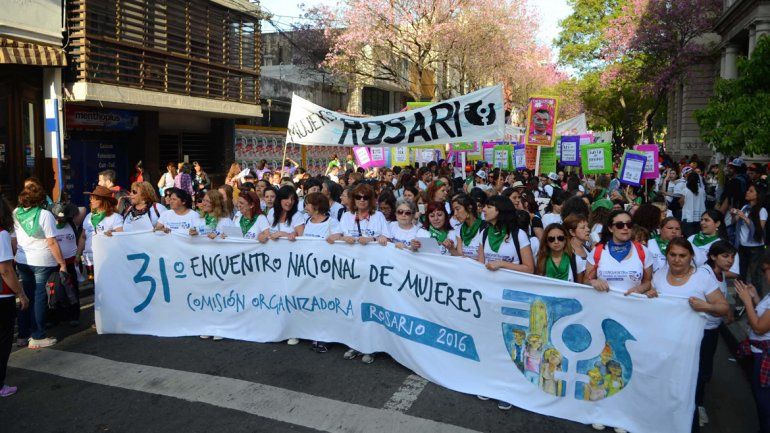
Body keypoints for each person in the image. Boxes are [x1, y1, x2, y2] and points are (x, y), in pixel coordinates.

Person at [651, 238, 729, 431]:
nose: (677, 260)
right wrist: (650, 296)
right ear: (666, 256)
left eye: (682, 255)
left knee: (687, 391)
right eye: (672, 255)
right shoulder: (659, 275)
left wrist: (707, 306)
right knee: (663, 389)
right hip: (665, 345)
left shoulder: (702, 278)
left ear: (691, 256)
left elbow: (723, 307)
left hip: (693, 345)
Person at [339, 183, 389, 364]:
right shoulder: (346, 217)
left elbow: (387, 238)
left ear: (371, 200)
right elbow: (335, 237)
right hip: (351, 271)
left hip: (372, 272)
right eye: (358, 197)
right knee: (353, 308)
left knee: (370, 310)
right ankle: (354, 344)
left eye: (365, 197)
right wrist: (344, 238)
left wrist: (373, 239)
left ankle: (371, 347)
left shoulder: (379, 217)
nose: (361, 200)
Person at [696, 240, 737, 426]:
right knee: (698, 371)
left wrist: (726, 312)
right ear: (713, 256)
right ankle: (697, 406)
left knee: (704, 370)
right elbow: (698, 301)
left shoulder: (720, 275)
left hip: (712, 329)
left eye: (732, 257)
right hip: (701, 330)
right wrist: (719, 308)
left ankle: (698, 404)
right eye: (725, 256)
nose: (730, 260)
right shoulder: (704, 275)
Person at [735, 251, 770, 433]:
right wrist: (755, 298)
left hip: (765, 357)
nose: (766, 275)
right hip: (759, 353)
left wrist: (747, 302)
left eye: (767, 270)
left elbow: (759, 327)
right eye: (765, 270)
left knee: (765, 404)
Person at [585, 210, 653, 295]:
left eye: (629, 224)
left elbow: (647, 282)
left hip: (633, 305)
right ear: (610, 228)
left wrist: (641, 289)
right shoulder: (598, 251)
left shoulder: (643, 251)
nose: (625, 228)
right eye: (619, 225)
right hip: (604, 306)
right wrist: (594, 282)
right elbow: (586, 281)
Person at [0, 195, 28, 396]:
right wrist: (21, 293)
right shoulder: (1, 233)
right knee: (3, 340)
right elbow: (6, 270)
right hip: (2, 295)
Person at [477, 196, 535, 274]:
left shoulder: (518, 234)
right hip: (489, 284)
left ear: (500, 211)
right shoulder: (484, 233)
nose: (484, 209)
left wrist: (502, 264)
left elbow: (529, 269)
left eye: (489, 207)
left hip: (511, 284)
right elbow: (481, 265)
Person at [77, 185, 125, 277]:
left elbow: (122, 234)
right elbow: (83, 237)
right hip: (89, 260)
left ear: (103, 201)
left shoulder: (115, 217)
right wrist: (78, 255)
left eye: (94, 198)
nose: (91, 200)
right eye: (91, 198)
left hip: (107, 259)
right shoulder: (88, 216)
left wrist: (113, 232)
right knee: (94, 286)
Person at [734, 183, 768, 295]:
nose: (747, 192)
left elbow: (759, 229)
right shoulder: (745, 207)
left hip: (755, 248)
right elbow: (735, 222)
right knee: (741, 274)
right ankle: (742, 298)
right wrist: (735, 214)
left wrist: (744, 217)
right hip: (742, 246)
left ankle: (758, 302)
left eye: (751, 191)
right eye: (748, 190)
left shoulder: (762, 210)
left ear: (758, 195)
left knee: (755, 276)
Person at [687, 209, 740, 278]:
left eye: (706, 220)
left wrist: (704, 273)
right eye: (701, 220)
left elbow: (733, 272)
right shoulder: (691, 238)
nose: (702, 223)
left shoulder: (724, 245)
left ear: (717, 223)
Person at [452, 195, 485, 259]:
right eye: (454, 210)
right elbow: (460, 256)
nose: (455, 214)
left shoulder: (485, 227)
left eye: (457, 209)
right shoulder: (459, 229)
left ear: (469, 208)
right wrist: (451, 249)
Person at [678, 170, 706, 238]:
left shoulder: (685, 190)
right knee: (697, 237)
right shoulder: (702, 191)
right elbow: (704, 201)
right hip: (699, 217)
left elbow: (681, 202)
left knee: (689, 238)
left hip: (687, 217)